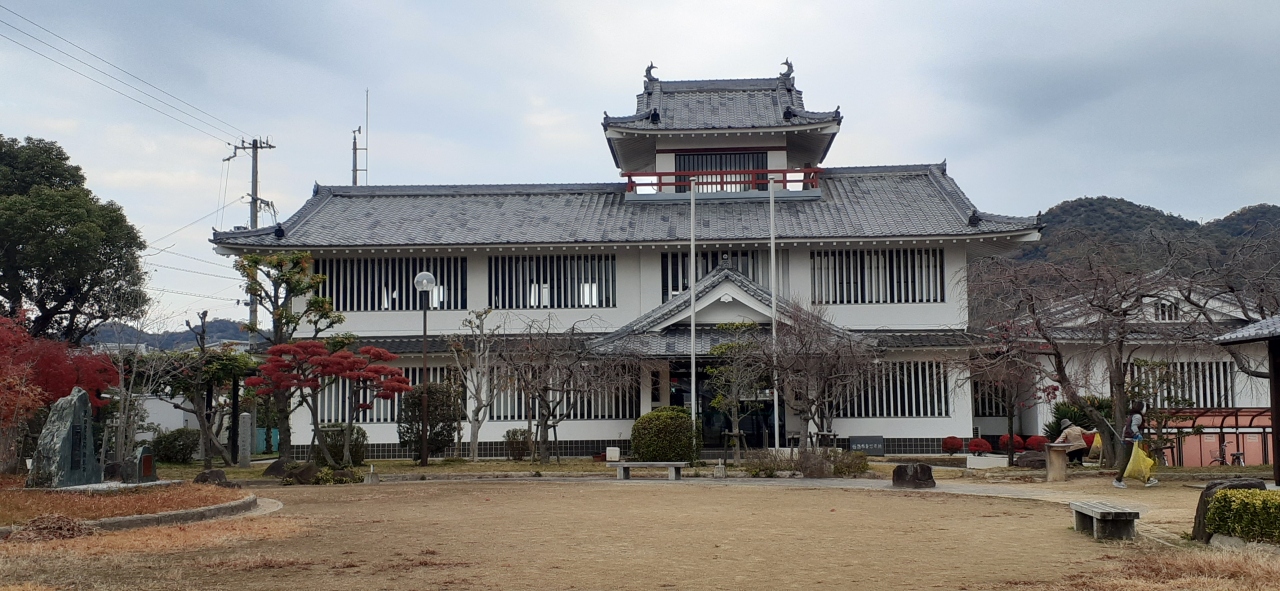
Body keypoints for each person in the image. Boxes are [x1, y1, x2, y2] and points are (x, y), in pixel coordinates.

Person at [1113, 400, 1158, 489]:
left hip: (1129, 440)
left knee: (1139, 459)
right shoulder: (1138, 416)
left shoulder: (1132, 416)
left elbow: (1125, 428)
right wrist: (1137, 434)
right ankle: (1118, 479)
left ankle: (1148, 479)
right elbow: (1133, 426)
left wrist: (1123, 438)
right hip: (1133, 441)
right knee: (1132, 460)